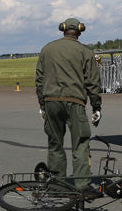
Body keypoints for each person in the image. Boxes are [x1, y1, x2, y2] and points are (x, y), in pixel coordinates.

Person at [35, 17, 102, 195]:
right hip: (75, 102)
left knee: (55, 143)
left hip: (50, 102)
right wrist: (96, 106)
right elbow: (93, 83)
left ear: (63, 29)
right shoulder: (85, 51)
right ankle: (82, 186)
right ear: (79, 31)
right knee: (80, 143)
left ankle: (57, 183)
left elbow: (39, 80)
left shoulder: (47, 49)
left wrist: (42, 104)